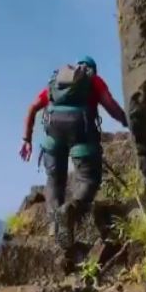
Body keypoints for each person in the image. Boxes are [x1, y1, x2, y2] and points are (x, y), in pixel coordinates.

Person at [20, 56, 129, 257]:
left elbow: (33, 107)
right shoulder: (93, 81)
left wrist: (26, 139)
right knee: (88, 178)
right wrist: (126, 121)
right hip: (80, 129)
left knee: (54, 179)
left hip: (53, 131)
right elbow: (110, 105)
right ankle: (70, 210)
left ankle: (55, 224)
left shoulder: (57, 83)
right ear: (92, 70)